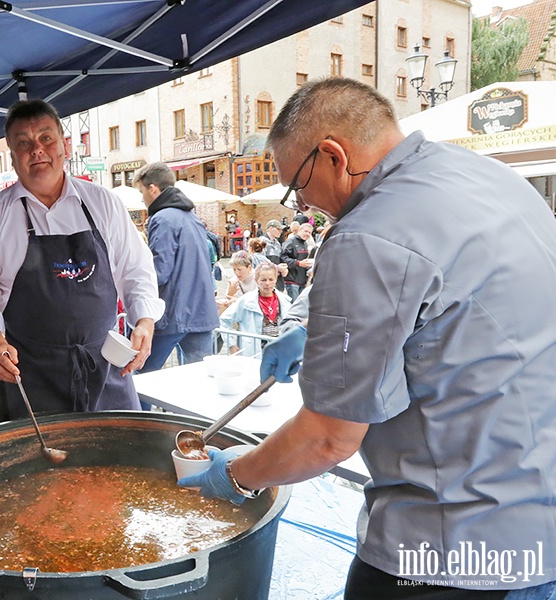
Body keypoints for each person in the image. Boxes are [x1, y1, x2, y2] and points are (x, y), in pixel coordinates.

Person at [178, 78, 556, 599]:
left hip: (449, 548)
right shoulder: (491, 177)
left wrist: (238, 476)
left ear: (332, 156)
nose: (306, 208)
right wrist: (314, 329)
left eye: (298, 187)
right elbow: (448, 301)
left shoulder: (365, 234)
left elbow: (328, 438)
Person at [0, 99, 163, 418]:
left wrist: (145, 323)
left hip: (106, 368)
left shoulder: (102, 203)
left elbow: (137, 271)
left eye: (46, 138)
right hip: (30, 377)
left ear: (64, 146)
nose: (36, 149)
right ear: (12, 156)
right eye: (23, 143)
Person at [133, 161, 219, 375]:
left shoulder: (162, 218)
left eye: (142, 192)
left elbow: (160, 271)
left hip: (173, 313)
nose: (142, 198)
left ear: (152, 189)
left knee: (143, 377)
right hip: (201, 312)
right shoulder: (191, 217)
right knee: (199, 380)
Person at [218, 262, 291, 359]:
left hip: (279, 352)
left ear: (276, 280)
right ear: (256, 280)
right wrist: (231, 344)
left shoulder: (285, 301)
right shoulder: (246, 301)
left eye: (271, 279)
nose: (267, 283)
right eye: (263, 280)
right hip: (254, 353)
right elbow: (224, 320)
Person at [279, 221, 313, 300]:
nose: (307, 234)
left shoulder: (304, 244)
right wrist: (298, 263)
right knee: (294, 306)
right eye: (306, 231)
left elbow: (303, 260)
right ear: (299, 230)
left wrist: (309, 269)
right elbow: (283, 258)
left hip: (302, 280)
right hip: (291, 281)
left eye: (310, 232)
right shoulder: (290, 242)